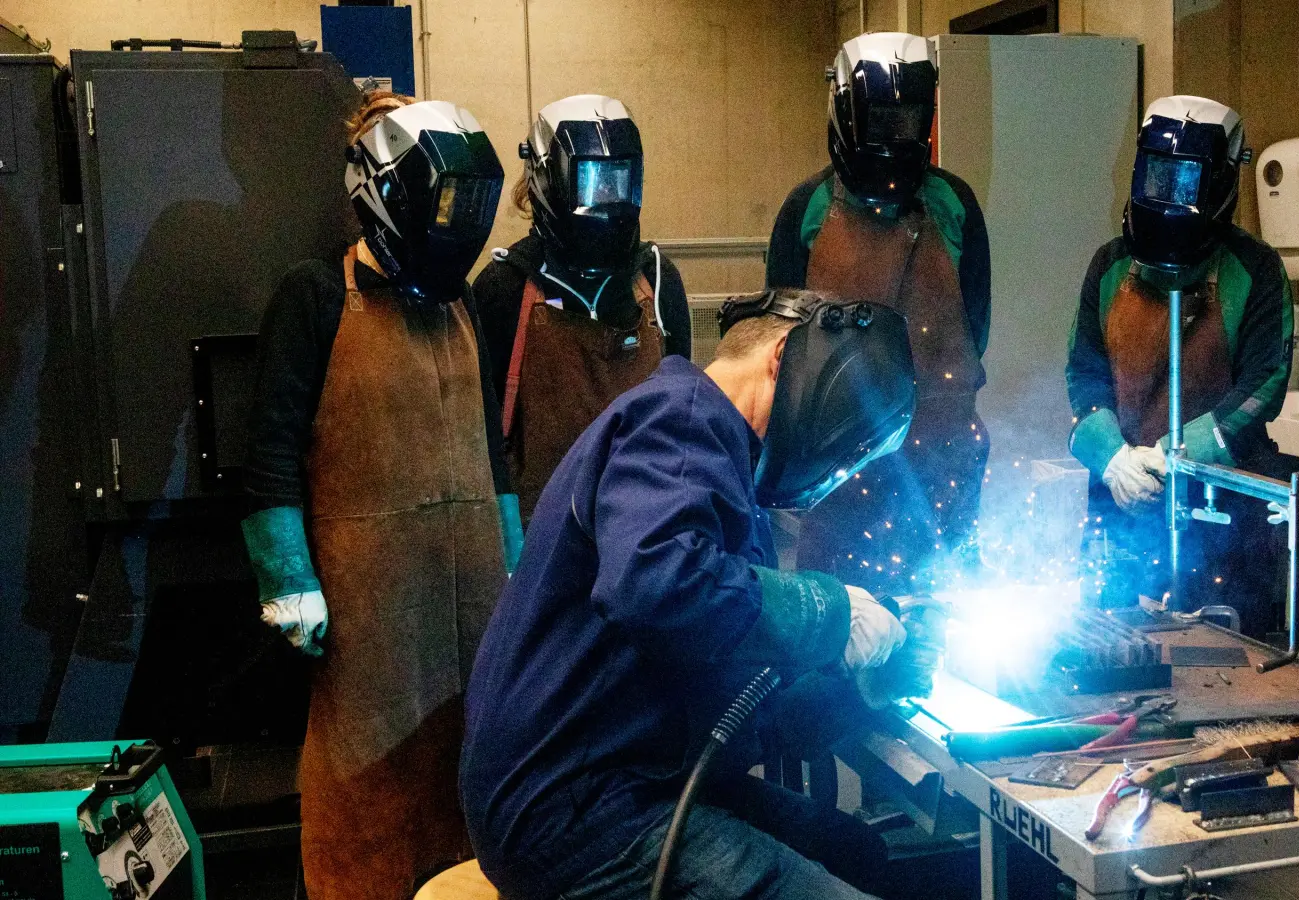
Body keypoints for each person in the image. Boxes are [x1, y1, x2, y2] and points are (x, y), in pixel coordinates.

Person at [460, 288, 933, 900]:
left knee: (853, 851)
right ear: (783, 358)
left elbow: (744, 716)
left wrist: (859, 687)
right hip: (578, 810)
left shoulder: (722, 472)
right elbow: (657, 585)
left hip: (640, 780)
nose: (839, 470)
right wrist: (829, 613)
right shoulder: (680, 421)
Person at [240, 92, 522, 900]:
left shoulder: (459, 301)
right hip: (370, 616)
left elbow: (492, 453)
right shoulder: (315, 295)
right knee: (367, 800)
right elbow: (269, 452)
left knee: (471, 801)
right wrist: (287, 577)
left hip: (475, 608)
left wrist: (518, 567)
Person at [767, 32, 990, 595]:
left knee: (942, 613)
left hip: (941, 462)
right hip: (838, 474)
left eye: (906, 121)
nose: (894, 138)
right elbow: (777, 344)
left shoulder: (954, 204)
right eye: (881, 122)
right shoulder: (806, 208)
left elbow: (974, 332)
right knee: (840, 624)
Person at [1066, 96, 1293, 636]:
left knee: (1233, 653)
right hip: (1124, 500)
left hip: (1224, 508)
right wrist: (1111, 457)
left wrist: (1183, 453)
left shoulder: (1255, 269)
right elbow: (1084, 373)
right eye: (1159, 178)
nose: (1170, 196)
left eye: (1185, 183)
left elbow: (1264, 382)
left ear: (1221, 184)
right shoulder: (1109, 264)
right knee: (1114, 644)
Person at [473, 95, 692, 521]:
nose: (605, 199)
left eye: (616, 180)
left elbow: (682, 418)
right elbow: (482, 438)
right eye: (592, 181)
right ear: (547, 179)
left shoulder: (657, 280)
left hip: (644, 526)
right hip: (541, 532)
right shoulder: (505, 286)